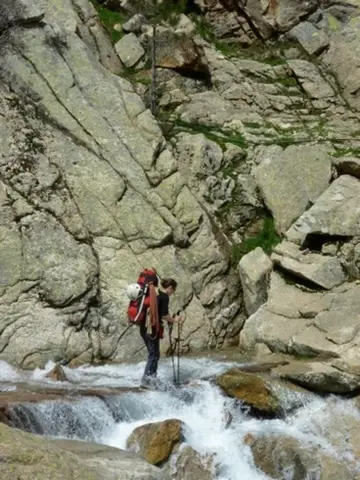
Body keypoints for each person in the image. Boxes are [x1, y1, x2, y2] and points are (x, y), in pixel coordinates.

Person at [140, 278, 182, 388]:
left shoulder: (154, 292)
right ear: (170, 288)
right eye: (174, 290)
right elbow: (164, 315)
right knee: (153, 355)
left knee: (154, 354)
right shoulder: (164, 296)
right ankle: (147, 381)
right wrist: (175, 320)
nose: (173, 293)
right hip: (151, 328)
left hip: (143, 328)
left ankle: (151, 378)